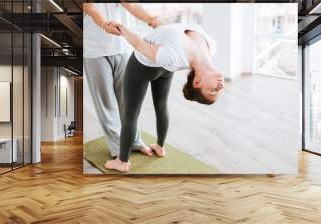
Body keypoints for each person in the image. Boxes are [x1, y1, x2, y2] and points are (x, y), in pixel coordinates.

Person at [103, 23, 225, 172]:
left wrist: (120, 28)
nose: (220, 87)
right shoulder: (212, 46)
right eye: (217, 91)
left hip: (144, 65)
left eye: (213, 91)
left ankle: (122, 162)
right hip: (165, 68)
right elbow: (176, 30)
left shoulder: (172, 56)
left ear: (197, 82)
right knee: (161, 106)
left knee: (130, 113)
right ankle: (160, 147)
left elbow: (139, 44)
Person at [83, 3, 161, 159]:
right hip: (95, 50)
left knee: (128, 100)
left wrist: (150, 19)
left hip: (122, 48)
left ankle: (134, 141)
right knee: (105, 103)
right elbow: (89, 7)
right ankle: (117, 146)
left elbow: (131, 4)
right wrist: (105, 24)